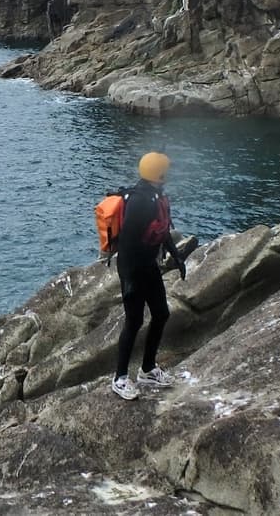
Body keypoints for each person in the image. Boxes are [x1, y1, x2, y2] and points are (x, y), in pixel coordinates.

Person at [110, 151, 185, 400]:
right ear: (159, 174)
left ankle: (148, 369)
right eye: (165, 170)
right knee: (134, 321)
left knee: (161, 314)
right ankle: (120, 378)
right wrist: (129, 279)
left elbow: (162, 230)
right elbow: (128, 242)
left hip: (147, 265)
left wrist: (177, 256)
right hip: (133, 268)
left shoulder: (156, 196)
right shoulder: (141, 201)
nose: (168, 174)